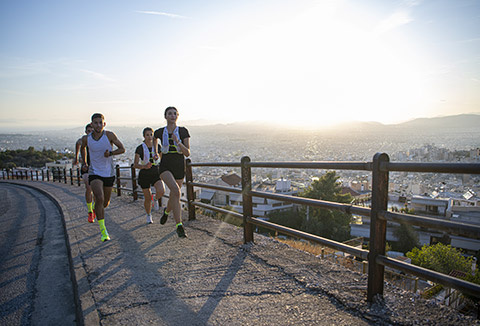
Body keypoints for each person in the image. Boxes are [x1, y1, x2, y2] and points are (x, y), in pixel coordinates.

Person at [80, 113, 125, 242]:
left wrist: (110, 153)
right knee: (99, 197)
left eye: (101, 122)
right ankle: (103, 231)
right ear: (91, 124)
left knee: (104, 203)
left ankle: (96, 209)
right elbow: (82, 147)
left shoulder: (109, 135)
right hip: (94, 172)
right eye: (96, 123)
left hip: (108, 173)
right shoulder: (86, 138)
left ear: (104, 124)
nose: (98, 125)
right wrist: (84, 162)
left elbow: (122, 149)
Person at [153, 106, 190, 238]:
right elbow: (154, 142)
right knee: (176, 191)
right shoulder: (159, 132)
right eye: (170, 113)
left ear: (177, 116)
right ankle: (179, 226)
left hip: (179, 165)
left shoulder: (183, 131)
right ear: (165, 116)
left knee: (175, 195)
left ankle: (166, 212)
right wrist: (155, 153)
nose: (172, 116)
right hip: (165, 166)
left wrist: (178, 142)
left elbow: (187, 153)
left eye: (175, 113)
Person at [134, 127, 165, 224]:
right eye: (147, 135)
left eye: (151, 134)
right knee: (147, 197)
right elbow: (135, 164)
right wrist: (144, 166)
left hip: (156, 171)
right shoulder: (140, 148)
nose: (149, 137)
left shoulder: (157, 146)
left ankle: (155, 199)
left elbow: (163, 159)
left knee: (161, 190)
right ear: (144, 136)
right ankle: (148, 215)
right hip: (145, 173)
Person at [73, 123, 95, 223]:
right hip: (86, 167)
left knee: (98, 190)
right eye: (89, 131)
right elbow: (78, 143)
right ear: (86, 132)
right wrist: (76, 157)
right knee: (88, 187)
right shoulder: (83, 140)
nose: (90, 133)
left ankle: (94, 208)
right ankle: (90, 211)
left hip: (96, 166)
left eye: (92, 131)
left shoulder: (96, 140)